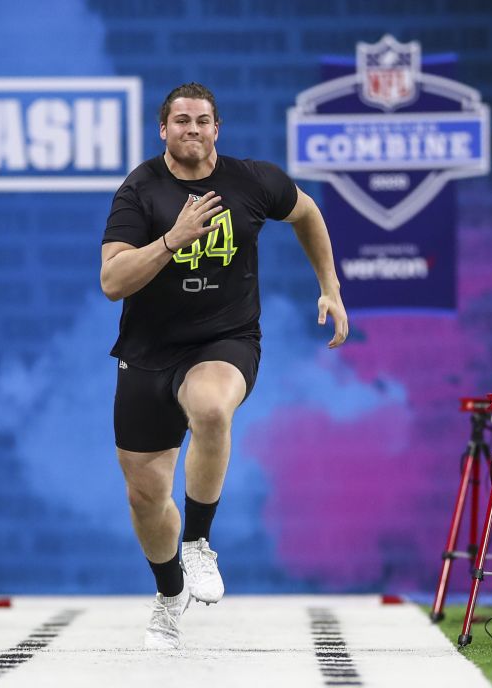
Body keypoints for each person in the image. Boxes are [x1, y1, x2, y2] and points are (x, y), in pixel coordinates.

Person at [100, 83, 348, 649]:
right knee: (145, 495)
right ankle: (169, 594)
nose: (192, 129)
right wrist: (173, 238)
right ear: (163, 129)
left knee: (211, 406)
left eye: (203, 120)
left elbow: (306, 212)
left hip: (227, 339)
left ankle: (199, 544)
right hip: (148, 354)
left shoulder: (252, 180)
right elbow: (112, 282)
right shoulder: (139, 191)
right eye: (181, 120)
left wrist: (329, 287)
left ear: (217, 128)